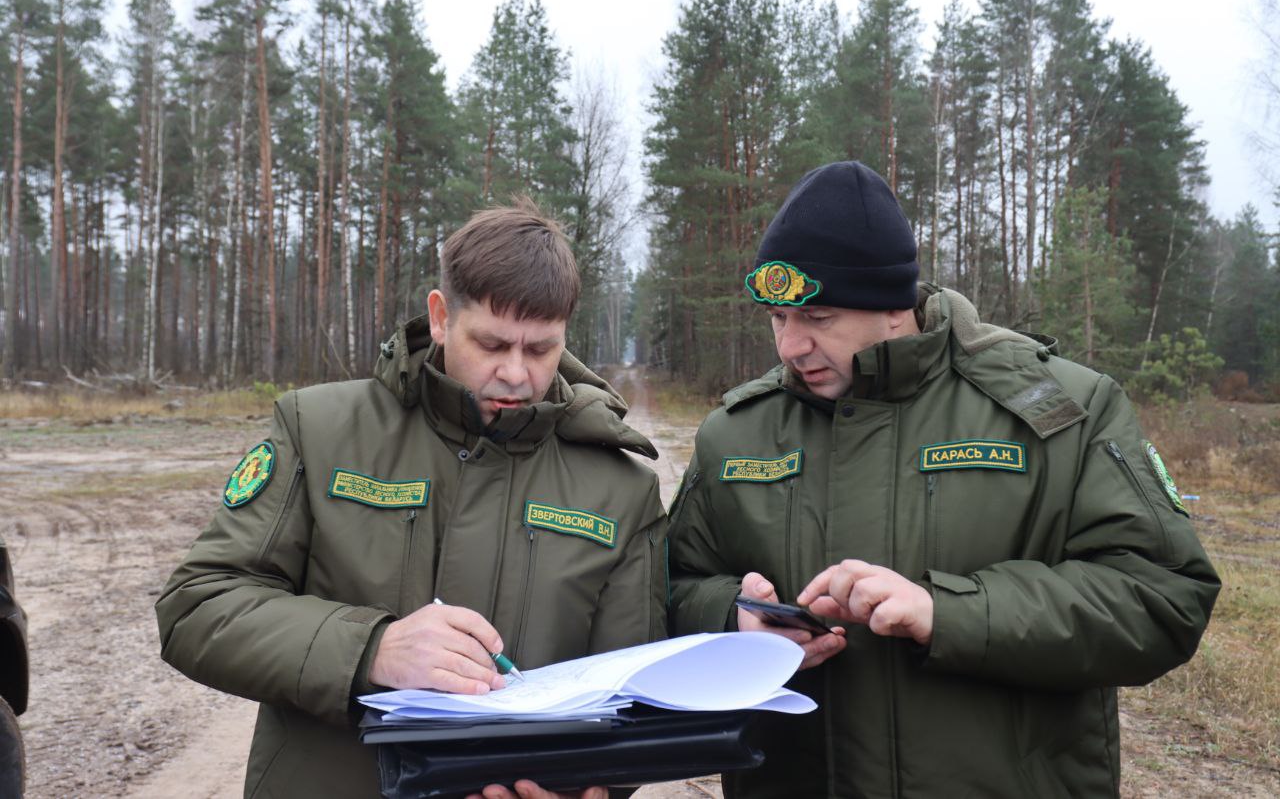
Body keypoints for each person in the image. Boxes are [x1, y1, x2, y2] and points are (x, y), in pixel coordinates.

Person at [667, 161, 1219, 798]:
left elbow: (1163, 597)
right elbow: (662, 594)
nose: (790, 346)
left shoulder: (1059, 411)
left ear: (895, 308)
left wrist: (948, 613)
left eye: (818, 319)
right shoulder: (735, 432)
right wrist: (730, 617)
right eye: (777, 319)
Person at [156, 200, 666, 799]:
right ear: (441, 316)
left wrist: (591, 789)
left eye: (540, 350)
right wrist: (372, 650)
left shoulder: (621, 487)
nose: (516, 374)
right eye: (493, 344)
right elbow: (198, 608)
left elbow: (632, 699)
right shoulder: (318, 430)